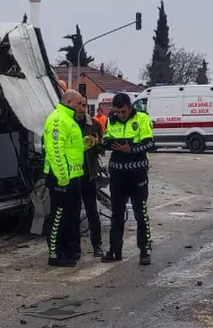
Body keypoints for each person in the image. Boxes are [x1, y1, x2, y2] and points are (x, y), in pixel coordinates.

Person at [102, 93, 155, 265]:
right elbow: (106, 140)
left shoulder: (142, 118)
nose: (120, 115)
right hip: (117, 174)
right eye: (117, 112)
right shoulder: (111, 120)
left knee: (141, 214)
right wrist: (104, 143)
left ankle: (145, 250)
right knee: (116, 214)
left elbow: (150, 143)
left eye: (123, 112)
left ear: (130, 107)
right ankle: (115, 250)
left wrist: (130, 149)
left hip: (137, 174)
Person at [43, 91, 86, 267]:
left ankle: (68, 250)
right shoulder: (58, 119)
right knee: (58, 216)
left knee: (71, 216)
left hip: (73, 176)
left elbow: (70, 147)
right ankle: (55, 254)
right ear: (69, 102)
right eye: (78, 103)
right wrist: (62, 178)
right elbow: (55, 151)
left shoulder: (69, 119)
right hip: (61, 178)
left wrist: (85, 144)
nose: (80, 107)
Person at [76, 96, 105, 258]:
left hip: (89, 174)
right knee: (73, 212)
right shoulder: (69, 123)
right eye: (79, 104)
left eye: (84, 105)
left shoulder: (94, 124)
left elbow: (102, 148)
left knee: (92, 211)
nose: (82, 108)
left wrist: (97, 143)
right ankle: (75, 248)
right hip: (73, 174)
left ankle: (97, 245)